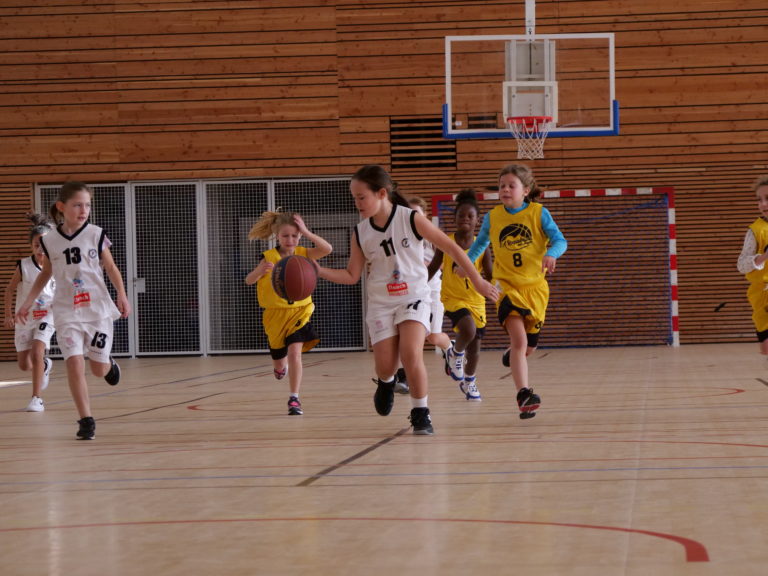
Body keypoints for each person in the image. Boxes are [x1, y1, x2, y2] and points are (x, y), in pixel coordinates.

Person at [317, 165, 498, 435]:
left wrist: (479, 281)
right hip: (381, 302)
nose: (357, 203)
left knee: (411, 352)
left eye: (362, 197)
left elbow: (451, 247)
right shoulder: (360, 232)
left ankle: (421, 413)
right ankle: (386, 381)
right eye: (354, 198)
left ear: (381, 193)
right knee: (386, 366)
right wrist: (317, 270)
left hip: (414, 296)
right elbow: (352, 275)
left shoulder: (410, 218)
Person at [16, 181, 130, 440]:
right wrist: (27, 302)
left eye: (87, 205)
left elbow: (111, 268)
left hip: (97, 310)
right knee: (74, 363)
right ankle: (86, 419)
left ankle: (109, 364)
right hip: (67, 311)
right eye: (78, 205)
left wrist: (122, 295)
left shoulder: (96, 234)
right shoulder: (50, 241)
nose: (84, 210)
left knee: (98, 369)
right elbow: (45, 274)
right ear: (62, 207)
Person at [465, 164, 567, 419]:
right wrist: (465, 264)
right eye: (502, 186)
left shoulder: (539, 213)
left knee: (527, 347)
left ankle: (512, 355)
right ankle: (524, 394)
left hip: (535, 289)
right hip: (505, 287)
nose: (505, 190)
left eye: (511, 185)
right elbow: (480, 245)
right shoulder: (493, 217)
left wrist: (552, 254)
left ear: (526, 190)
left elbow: (560, 240)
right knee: (520, 341)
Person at [245, 210, 332, 415]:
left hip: (299, 312)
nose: (290, 240)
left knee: (295, 353)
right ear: (277, 236)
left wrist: (307, 232)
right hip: (275, 316)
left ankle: (294, 398)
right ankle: (279, 368)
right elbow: (248, 280)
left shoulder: (304, 253)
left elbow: (327, 249)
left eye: (294, 235)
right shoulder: (268, 257)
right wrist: (259, 272)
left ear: (299, 235)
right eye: (285, 236)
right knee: (279, 359)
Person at [427, 189, 493, 401]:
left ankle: (469, 381)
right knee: (468, 329)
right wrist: (417, 286)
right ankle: (455, 354)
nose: (465, 218)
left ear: (477, 221)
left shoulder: (483, 246)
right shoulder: (446, 242)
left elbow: (490, 275)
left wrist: (502, 288)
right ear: (454, 218)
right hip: (452, 298)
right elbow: (433, 268)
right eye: (461, 215)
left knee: (475, 347)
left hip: (476, 300)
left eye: (470, 216)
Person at [392, 196, 454, 395]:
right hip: (410, 292)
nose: (413, 217)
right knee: (407, 336)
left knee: (433, 337)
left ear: (425, 215)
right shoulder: (400, 236)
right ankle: (403, 377)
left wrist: (422, 266)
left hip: (432, 290)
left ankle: (450, 348)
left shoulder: (431, 236)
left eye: (416, 213)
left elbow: (444, 263)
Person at [3, 213, 56, 412]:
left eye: (44, 245)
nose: (41, 249)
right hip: (25, 317)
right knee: (24, 365)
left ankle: (36, 398)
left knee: (37, 351)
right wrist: (8, 315)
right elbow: (9, 290)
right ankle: (45, 365)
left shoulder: (57, 265)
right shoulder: (24, 266)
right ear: (31, 246)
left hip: (47, 315)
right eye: (36, 245)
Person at [737, 175, 768, 355]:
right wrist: (763, 257)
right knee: (766, 348)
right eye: (759, 200)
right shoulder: (755, 231)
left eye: (767, 198)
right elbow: (742, 265)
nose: (763, 204)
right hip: (762, 295)